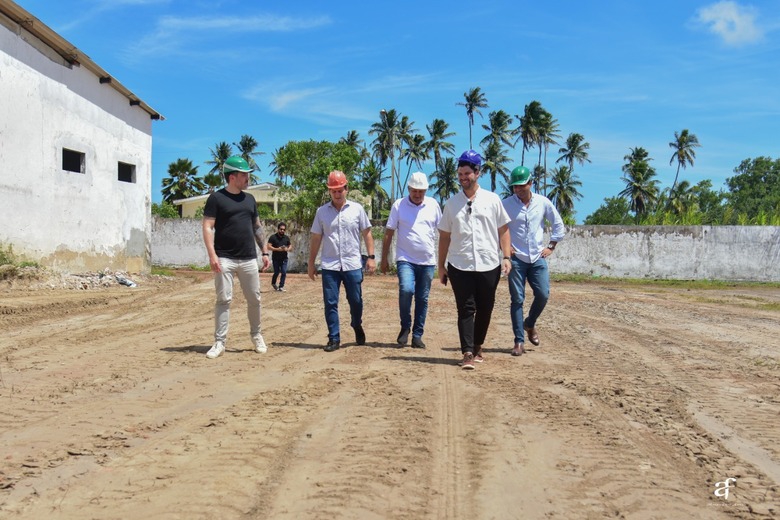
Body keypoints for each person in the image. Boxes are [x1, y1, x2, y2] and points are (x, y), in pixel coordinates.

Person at [437, 150, 512, 370]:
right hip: (460, 265)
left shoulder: (492, 200)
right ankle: (467, 352)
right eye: (460, 173)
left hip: (489, 263)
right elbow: (444, 237)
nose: (463, 177)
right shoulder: (451, 204)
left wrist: (506, 256)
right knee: (466, 308)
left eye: (467, 173)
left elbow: (504, 230)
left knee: (486, 308)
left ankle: (478, 345)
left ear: (478, 173)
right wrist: (440, 266)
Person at [202, 155, 271, 359]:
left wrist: (264, 252)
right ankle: (219, 342)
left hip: (249, 258)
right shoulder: (216, 198)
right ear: (233, 177)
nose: (248, 178)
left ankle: (256, 335)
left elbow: (257, 227)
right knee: (224, 299)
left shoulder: (249, 199)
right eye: (245, 175)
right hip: (225, 258)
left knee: (255, 299)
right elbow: (207, 226)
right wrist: (212, 255)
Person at [308, 170, 376, 352]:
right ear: (329, 191)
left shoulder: (357, 209)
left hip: (352, 264)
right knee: (330, 302)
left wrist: (371, 257)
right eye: (333, 191)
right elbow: (316, 238)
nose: (337, 194)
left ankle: (356, 324)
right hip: (330, 265)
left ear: (346, 188)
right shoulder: (321, 212)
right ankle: (334, 338)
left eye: (340, 190)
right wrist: (311, 263)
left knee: (356, 300)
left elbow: (367, 233)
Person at [502, 166, 565, 356]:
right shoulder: (506, 205)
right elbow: (497, 228)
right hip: (517, 259)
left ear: (530, 183)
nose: (518, 190)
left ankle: (529, 323)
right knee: (517, 300)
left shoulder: (543, 202)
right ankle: (519, 342)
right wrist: (506, 249)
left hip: (537, 257)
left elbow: (558, 224)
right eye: (515, 187)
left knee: (543, 294)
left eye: (521, 186)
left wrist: (551, 246)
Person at [381, 172, 442, 349]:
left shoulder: (433, 205)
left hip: (427, 261)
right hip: (405, 258)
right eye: (414, 191)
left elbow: (443, 232)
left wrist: (446, 259)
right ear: (409, 189)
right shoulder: (399, 205)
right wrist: (384, 258)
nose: (417, 195)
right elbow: (389, 232)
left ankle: (417, 335)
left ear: (426, 191)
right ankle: (405, 326)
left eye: (421, 191)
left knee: (422, 298)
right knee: (406, 290)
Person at [267, 222, 292, 291]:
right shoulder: (273, 237)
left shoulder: (286, 238)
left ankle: (281, 286)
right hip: (276, 258)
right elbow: (268, 246)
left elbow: (290, 245)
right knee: (276, 272)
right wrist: (277, 249)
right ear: (278, 229)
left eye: (284, 229)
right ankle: (273, 283)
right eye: (281, 229)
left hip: (284, 258)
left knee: (284, 272)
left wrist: (287, 249)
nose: (282, 231)